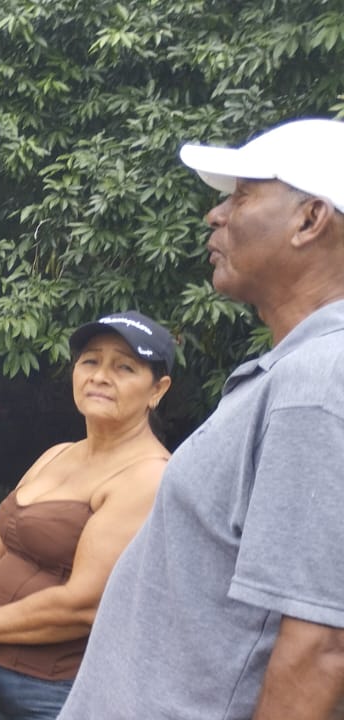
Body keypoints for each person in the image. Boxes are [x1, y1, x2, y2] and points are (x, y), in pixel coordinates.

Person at [58, 118, 344, 719]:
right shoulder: (291, 372)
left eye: (242, 195)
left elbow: (321, 649)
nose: (216, 214)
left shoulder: (320, 382)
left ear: (310, 220)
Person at [0, 311, 173, 719]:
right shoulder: (56, 454)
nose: (100, 376)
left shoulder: (149, 476)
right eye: (90, 361)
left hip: (61, 693)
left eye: (124, 367)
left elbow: (83, 604)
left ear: (157, 390)